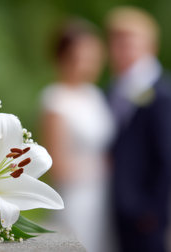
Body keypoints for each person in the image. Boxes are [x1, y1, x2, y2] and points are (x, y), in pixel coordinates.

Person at [105, 6, 171, 252]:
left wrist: (153, 210)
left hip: (146, 213)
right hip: (112, 206)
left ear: (151, 46)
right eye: (117, 41)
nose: (123, 49)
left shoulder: (167, 93)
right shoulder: (111, 89)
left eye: (131, 42)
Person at [40, 19, 116, 252]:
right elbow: (57, 165)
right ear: (62, 58)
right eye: (79, 56)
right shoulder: (55, 100)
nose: (87, 64)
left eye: (92, 56)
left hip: (104, 194)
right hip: (75, 198)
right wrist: (104, 167)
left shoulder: (94, 95)